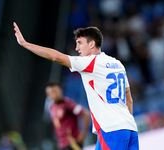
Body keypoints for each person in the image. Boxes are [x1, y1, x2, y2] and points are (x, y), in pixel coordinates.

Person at [13, 22, 139, 150]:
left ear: (91, 44)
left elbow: (56, 57)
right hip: (129, 127)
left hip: (111, 129)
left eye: (79, 43)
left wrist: (25, 44)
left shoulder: (90, 62)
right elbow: (129, 100)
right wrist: (126, 123)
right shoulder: (117, 64)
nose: (77, 48)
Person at [45, 81, 90, 150]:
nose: (54, 94)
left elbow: (85, 114)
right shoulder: (51, 107)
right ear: (48, 95)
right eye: (51, 92)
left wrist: (83, 134)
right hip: (62, 144)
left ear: (60, 91)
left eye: (55, 91)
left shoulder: (67, 104)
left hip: (72, 143)